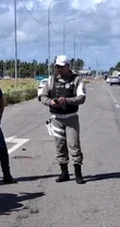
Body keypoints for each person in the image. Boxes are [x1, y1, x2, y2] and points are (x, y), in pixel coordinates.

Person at [39, 55, 87, 184]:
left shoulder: (76, 80)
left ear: (68, 66)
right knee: (59, 146)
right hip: (56, 118)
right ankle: (64, 173)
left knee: (74, 145)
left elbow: (81, 98)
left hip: (71, 117)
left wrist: (67, 101)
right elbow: (42, 96)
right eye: (57, 66)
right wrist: (50, 102)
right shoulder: (52, 80)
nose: (58, 69)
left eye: (61, 66)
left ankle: (78, 173)